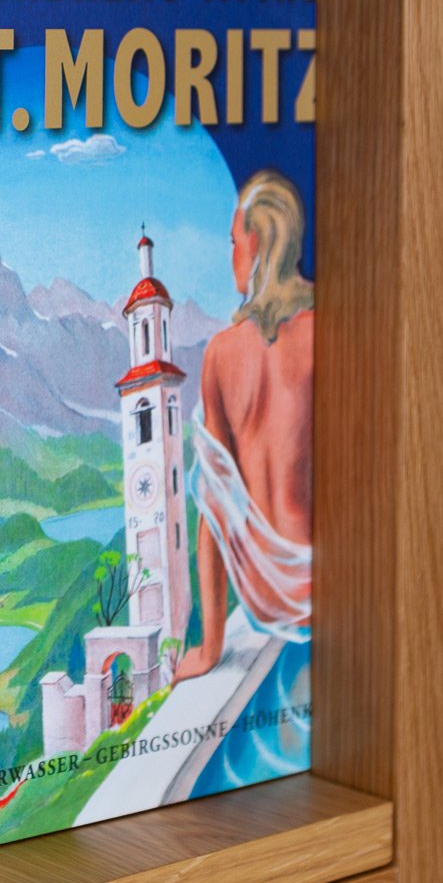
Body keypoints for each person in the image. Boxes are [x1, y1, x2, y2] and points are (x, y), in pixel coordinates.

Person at [176, 169, 314, 681]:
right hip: (325, 583)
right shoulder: (333, 331)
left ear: (255, 242)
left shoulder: (221, 354)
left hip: (261, 594)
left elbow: (213, 511)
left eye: (234, 241)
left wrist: (210, 647)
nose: (231, 252)